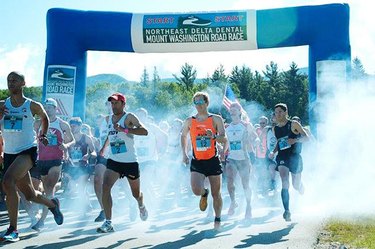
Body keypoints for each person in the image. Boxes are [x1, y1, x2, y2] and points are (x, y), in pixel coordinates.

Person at [0, 72, 63, 242]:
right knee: (30, 194)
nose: (11, 83)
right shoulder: (2, 105)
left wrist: (43, 133)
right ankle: (53, 205)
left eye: (14, 80)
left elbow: (44, 117)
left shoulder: (31, 105)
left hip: (27, 150)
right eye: (8, 80)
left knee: (7, 182)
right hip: (10, 153)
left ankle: (13, 229)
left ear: (23, 83)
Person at [97, 93, 149, 233]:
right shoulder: (108, 119)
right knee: (105, 186)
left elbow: (144, 131)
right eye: (111, 103)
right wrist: (104, 147)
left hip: (130, 162)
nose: (113, 106)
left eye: (116, 103)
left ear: (123, 104)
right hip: (114, 160)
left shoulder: (129, 117)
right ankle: (108, 222)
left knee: (135, 194)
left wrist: (125, 129)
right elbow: (110, 134)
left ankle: (141, 204)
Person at [181, 92, 227, 230]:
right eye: (195, 102)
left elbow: (224, 139)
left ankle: (217, 218)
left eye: (201, 102)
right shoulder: (189, 120)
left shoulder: (216, 119)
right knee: (195, 190)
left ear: (207, 103)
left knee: (216, 193)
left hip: (213, 160)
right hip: (197, 160)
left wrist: (213, 136)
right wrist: (184, 153)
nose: (198, 105)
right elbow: (183, 136)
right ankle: (203, 193)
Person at [30, 98, 75, 231]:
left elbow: (72, 140)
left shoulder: (62, 124)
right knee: (47, 190)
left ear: (56, 109)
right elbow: (32, 137)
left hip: (56, 159)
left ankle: (42, 220)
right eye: (46, 107)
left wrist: (66, 145)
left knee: (49, 187)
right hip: (41, 159)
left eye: (50, 107)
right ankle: (53, 205)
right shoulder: (38, 123)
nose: (48, 109)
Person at [269, 103, 309, 221]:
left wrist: (295, 140)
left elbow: (307, 138)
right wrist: (273, 151)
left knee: (295, 185)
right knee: (285, 182)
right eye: (276, 112)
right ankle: (287, 210)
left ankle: (300, 186)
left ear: (286, 112)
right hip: (282, 157)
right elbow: (279, 142)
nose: (278, 114)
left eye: (280, 112)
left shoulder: (294, 124)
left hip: (295, 156)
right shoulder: (274, 128)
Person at [224, 102, 254, 220]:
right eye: (231, 109)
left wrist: (255, 141)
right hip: (231, 158)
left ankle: (248, 206)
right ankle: (233, 202)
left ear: (240, 112)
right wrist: (222, 151)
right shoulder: (227, 127)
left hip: (244, 158)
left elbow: (255, 136)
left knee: (245, 184)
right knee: (230, 181)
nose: (232, 111)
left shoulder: (246, 125)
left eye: (235, 109)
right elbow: (226, 142)